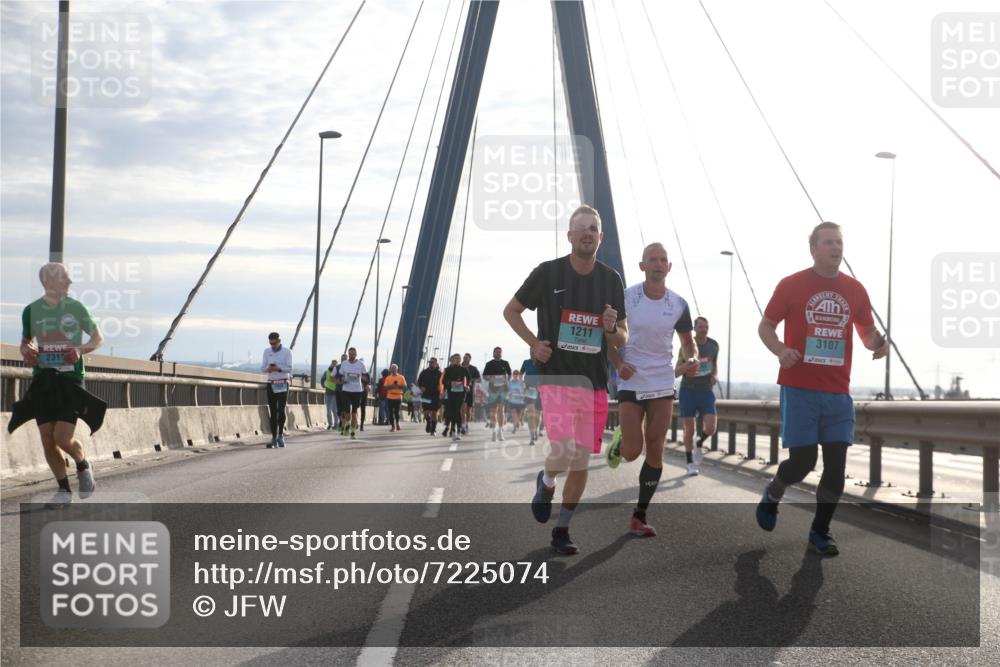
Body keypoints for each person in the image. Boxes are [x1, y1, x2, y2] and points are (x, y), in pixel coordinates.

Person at [755, 222, 889, 556]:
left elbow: (867, 332)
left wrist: (878, 344)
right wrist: (781, 350)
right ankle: (774, 492)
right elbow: (766, 326)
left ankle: (820, 531)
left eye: (839, 242)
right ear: (813, 248)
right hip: (799, 388)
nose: (836, 248)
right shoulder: (792, 285)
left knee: (835, 464)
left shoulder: (855, 290)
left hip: (838, 392)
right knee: (802, 462)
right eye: (829, 242)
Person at [503, 204, 627, 555]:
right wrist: (533, 344)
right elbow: (511, 310)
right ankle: (546, 481)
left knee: (583, 458)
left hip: (595, 384)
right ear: (570, 236)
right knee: (565, 448)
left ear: (600, 238)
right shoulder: (547, 273)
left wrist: (611, 329)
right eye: (581, 228)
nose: (588, 233)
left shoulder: (611, 279)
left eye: (594, 229)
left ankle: (562, 529)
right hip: (557, 378)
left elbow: (622, 338)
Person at [606, 243, 695, 536]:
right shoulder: (625, 297)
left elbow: (687, 341)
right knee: (633, 452)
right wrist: (618, 364)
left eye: (663, 260)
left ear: (669, 267)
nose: (658, 264)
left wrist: (691, 357)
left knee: (655, 447)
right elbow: (607, 337)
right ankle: (621, 442)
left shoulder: (679, 304)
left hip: (661, 382)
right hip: (631, 379)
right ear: (642, 266)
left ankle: (639, 515)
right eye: (652, 260)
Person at [13, 262, 103, 507]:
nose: (70, 282)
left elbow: (98, 337)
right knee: (47, 438)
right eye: (65, 278)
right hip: (43, 379)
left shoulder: (76, 307)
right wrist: (26, 350)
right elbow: (25, 342)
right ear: (48, 282)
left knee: (63, 438)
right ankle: (63, 491)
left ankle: (82, 463)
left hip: (70, 379)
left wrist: (80, 349)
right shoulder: (31, 311)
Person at [676, 316, 719, 475]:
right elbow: (676, 371)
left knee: (711, 427)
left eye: (706, 327)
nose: (704, 330)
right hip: (688, 391)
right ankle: (689, 463)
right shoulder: (686, 346)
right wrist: (687, 366)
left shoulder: (714, 345)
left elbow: (714, 363)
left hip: (706, 391)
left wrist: (714, 375)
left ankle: (699, 443)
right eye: (701, 327)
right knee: (690, 429)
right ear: (695, 329)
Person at [261, 331, 292, 448]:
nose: (272, 346)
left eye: (274, 343)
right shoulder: (267, 352)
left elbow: (289, 368)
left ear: (279, 341)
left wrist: (279, 369)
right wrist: (268, 369)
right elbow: (262, 368)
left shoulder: (287, 352)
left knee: (281, 409)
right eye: (271, 344)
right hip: (271, 383)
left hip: (283, 382)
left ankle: (281, 436)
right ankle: (273, 437)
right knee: (273, 411)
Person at [482, 347, 512, 442]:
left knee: (501, 410)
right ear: (493, 353)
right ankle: (494, 432)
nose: (498, 353)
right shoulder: (489, 364)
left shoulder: (505, 363)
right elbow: (484, 376)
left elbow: (510, 374)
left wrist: (506, 380)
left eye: (499, 352)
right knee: (493, 411)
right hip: (493, 389)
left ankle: (500, 432)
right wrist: (490, 379)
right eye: (496, 352)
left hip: (503, 389)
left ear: (501, 353)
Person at [337, 347, 367, 439]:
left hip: (357, 391)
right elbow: (340, 375)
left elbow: (366, 376)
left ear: (356, 354)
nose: (351, 356)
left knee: (354, 413)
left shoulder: (361, 364)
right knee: (347, 413)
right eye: (350, 354)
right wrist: (342, 381)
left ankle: (353, 432)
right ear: (348, 354)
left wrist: (365, 380)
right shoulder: (344, 364)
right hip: (346, 390)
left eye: (353, 354)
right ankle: (348, 424)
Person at [442, 353, 471, 441]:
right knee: (452, 411)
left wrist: (466, 385)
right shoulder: (447, 370)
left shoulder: (464, 369)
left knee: (458, 410)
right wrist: (449, 383)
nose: (458, 360)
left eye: (459, 358)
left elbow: (468, 379)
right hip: (451, 392)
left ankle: (458, 431)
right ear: (452, 360)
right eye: (456, 358)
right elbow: (443, 380)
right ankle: (453, 430)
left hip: (461, 392)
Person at [519, 357, 543, 445]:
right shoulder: (526, 362)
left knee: (537, 414)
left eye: (534, 351)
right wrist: (522, 382)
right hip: (529, 390)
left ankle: (536, 430)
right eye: (531, 351)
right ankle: (531, 436)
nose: (532, 353)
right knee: (530, 414)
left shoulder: (542, 362)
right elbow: (520, 374)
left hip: (540, 391)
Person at [416, 357, 443, 435]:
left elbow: (443, 383)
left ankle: (433, 430)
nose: (431, 363)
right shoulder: (424, 372)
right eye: (430, 362)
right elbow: (418, 382)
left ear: (436, 363)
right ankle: (428, 422)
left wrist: (440, 388)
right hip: (426, 395)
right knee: (426, 412)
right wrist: (421, 387)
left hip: (435, 395)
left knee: (434, 413)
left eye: (432, 362)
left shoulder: (439, 373)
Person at [461, 353, 480, 434]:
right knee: (463, 409)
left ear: (470, 359)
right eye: (464, 358)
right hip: (460, 391)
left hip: (470, 391)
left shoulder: (473, 368)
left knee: (468, 410)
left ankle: (466, 423)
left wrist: (472, 382)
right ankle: (463, 425)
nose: (465, 359)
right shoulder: (459, 367)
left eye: (467, 358)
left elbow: (478, 378)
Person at [384, 364, 407, 431]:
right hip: (390, 396)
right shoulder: (388, 378)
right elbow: (385, 387)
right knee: (390, 412)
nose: (393, 370)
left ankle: (397, 423)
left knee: (397, 412)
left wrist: (398, 385)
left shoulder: (401, 377)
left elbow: (405, 387)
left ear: (397, 369)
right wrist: (392, 386)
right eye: (392, 368)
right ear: (390, 369)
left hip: (398, 396)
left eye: (394, 368)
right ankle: (393, 426)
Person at [506, 370, 527, 434]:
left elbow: (524, 391)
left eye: (517, 374)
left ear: (519, 375)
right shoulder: (510, 383)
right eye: (514, 374)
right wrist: (509, 394)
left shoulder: (521, 383)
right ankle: (514, 428)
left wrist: (523, 395)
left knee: (519, 416)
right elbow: (508, 391)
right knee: (514, 415)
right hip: (512, 401)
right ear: (513, 375)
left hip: (520, 402)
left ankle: (517, 422)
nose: (515, 375)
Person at [321, 359, 340, 430]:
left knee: (334, 409)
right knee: (328, 410)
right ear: (331, 364)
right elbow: (322, 379)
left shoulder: (338, 372)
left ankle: (336, 424)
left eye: (335, 364)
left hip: (335, 393)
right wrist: (323, 385)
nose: (334, 365)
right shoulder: (327, 372)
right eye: (333, 364)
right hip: (327, 393)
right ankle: (330, 424)